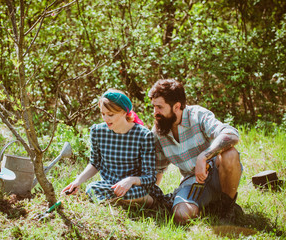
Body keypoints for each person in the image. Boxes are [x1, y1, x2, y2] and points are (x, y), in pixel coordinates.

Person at [148, 79, 242, 224]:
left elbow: (231, 134)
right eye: (154, 107)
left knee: (230, 154)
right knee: (181, 215)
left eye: (160, 107)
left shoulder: (197, 115)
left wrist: (204, 156)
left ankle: (227, 209)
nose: (155, 112)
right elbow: (158, 170)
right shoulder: (158, 132)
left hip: (219, 175)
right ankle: (210, 206)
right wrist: (151, 198)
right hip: (192, 182)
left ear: (176, 106)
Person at [62, 89, 166, 208]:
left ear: (124, 112)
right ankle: (124, 203)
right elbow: (95, 163)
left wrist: (130, 181)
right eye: (103, 114)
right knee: (91, 189)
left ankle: (144, 201)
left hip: (135, 188)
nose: (106, 119)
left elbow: (150, 177)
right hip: (110, 186)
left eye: (111, 115)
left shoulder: (143, 135)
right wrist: (78, 181)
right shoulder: (97, 131)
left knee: (133, 193)